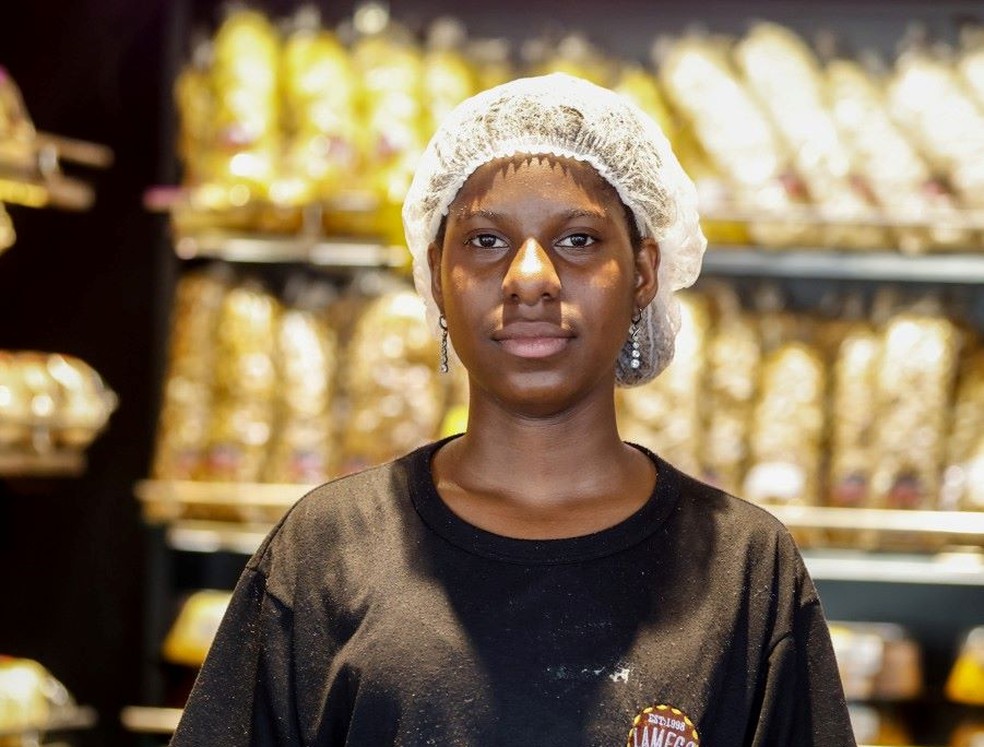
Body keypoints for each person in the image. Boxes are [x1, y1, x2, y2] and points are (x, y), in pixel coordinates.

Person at [170, 73, 857, 746]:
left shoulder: (743, 567)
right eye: (487, 240)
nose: (531, 278)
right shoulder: (325, 550)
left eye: (579, 239)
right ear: (437, 272)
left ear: (644, 272)